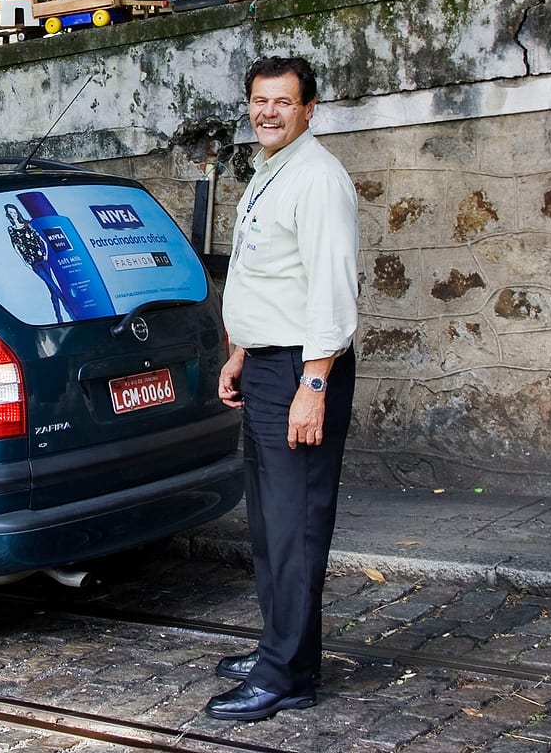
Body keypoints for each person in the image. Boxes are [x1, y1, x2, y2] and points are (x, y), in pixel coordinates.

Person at [206, 56, 360, 722]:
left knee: (295, 528)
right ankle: (281, 647)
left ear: (310, 108)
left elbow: (331, 291)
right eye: (259, 101)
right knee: (270, 528)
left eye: (283, 102)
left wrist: (314, 383)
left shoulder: (319, 179)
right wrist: (240, 352)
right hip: (267, 365)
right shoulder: (272, 172)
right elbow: (269, 278)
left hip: (303, 370)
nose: (268, 112)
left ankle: (288, 675)